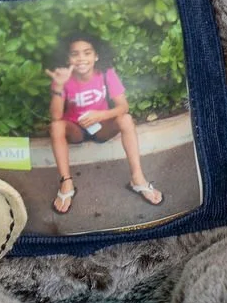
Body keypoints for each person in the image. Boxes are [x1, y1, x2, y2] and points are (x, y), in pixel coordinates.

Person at [47, 34, 163, 216]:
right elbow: (55, 117)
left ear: (96, 56)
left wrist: (101, 114)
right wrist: (58, 87)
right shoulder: (63, 78)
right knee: (56, 127)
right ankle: (66, 181)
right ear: (68, 58)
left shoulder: (107, 73)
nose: (81, 59)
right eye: (75, 54)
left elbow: (123, 106)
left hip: (101, 128)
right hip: (75, 130)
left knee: (126, 119)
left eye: (87, 53)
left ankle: (137, 178)